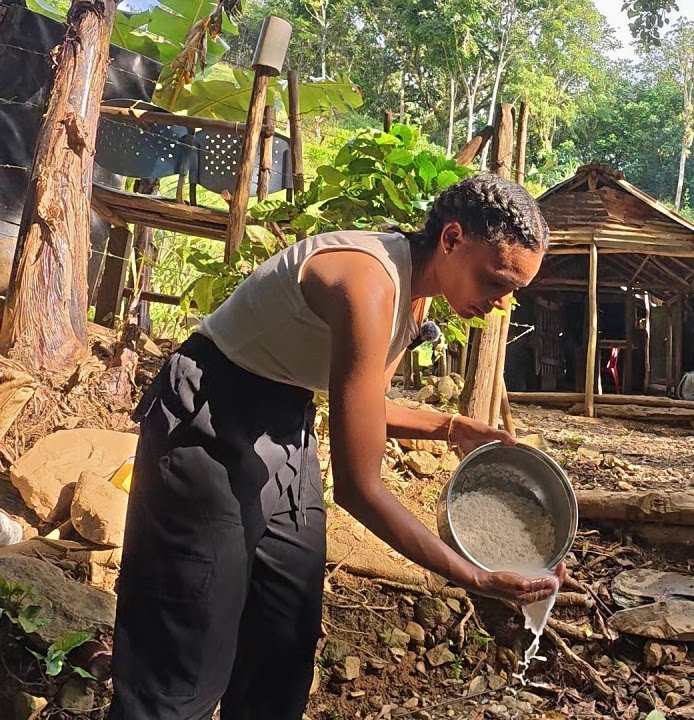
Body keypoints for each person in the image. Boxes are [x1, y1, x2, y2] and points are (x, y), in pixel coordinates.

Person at [107, 174, 566, 719]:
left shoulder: (414, 299)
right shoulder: (366, 283)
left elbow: (362, 405)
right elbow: (358, 487)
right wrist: (476, 577)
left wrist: (451, 428)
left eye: (515, 290)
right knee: (185, 650)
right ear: (451, 240)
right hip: (208, 417)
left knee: (282, 642)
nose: (502, 302)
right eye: (497, 281)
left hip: (284, 423)